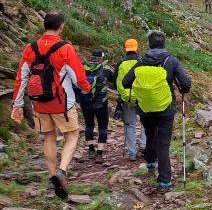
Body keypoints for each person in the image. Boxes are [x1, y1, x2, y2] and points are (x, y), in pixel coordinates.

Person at [11, 11, 90, 200]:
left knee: (49, 137)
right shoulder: (65, 48)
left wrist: (18, 103)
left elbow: (21, 77)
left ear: (44, 25)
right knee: (72, 134)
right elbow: (77, 76)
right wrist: (86, 89)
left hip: (39, 103)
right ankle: (62, 171)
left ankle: (51, 175)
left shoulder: (30, 48)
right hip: (62, 103)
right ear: (61, 27)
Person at [122, 30, 191, 191]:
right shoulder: (171, 61)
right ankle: (164, 180)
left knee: (150, 133)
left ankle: (151, 161)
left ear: (149, 44)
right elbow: (186, 84)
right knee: (164, 142)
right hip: (166, 107)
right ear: (164, 43)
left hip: (145, 107)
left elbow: (126, 82)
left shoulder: (141, 62)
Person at [80, 49, 114, 163]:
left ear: (91, 57)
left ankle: (91, 150)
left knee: (89, 125)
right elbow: (115, 80)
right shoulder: (105, 69)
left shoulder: (82, 67)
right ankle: (99, 153)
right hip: (101, 102)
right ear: (101, 58)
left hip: (85, 102)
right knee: (103, 127)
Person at [114, 38, 145, 162]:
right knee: (145, 123)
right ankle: (144, 145)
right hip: (141, 99)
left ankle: (132, 153)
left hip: (126, 99)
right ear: (136, 48)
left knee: (129, 125)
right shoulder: (142, 62)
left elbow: (116, 81)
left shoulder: (121, 62)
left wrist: (122, 94)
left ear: (125, 48)